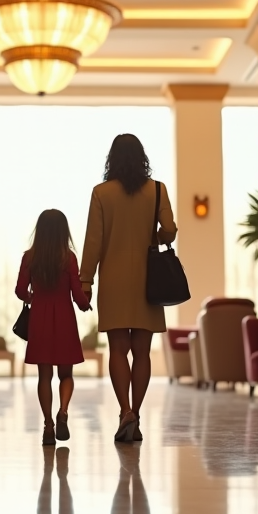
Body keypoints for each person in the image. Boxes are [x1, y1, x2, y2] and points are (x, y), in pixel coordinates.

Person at [80, 134, 177, 444]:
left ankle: (125, 412)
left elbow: (93, 241)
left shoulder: (101, 193)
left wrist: (85, 280)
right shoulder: (157, 191)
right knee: (142, 353)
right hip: (149, 281)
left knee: (118, 350)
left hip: (114, 281)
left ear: (112, 159)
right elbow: (170, 230)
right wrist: (157, 238)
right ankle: (136, 409)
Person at [16, 209, 90, 446]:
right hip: (65, 320)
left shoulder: (30, 257)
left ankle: (48, 425)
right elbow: (77, 294)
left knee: (44, 377)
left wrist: (32, 298)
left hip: (39, 319)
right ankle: (63, 412)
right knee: (66, 374)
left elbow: (19, 290)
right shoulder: (68, 258)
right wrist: (86, 303)